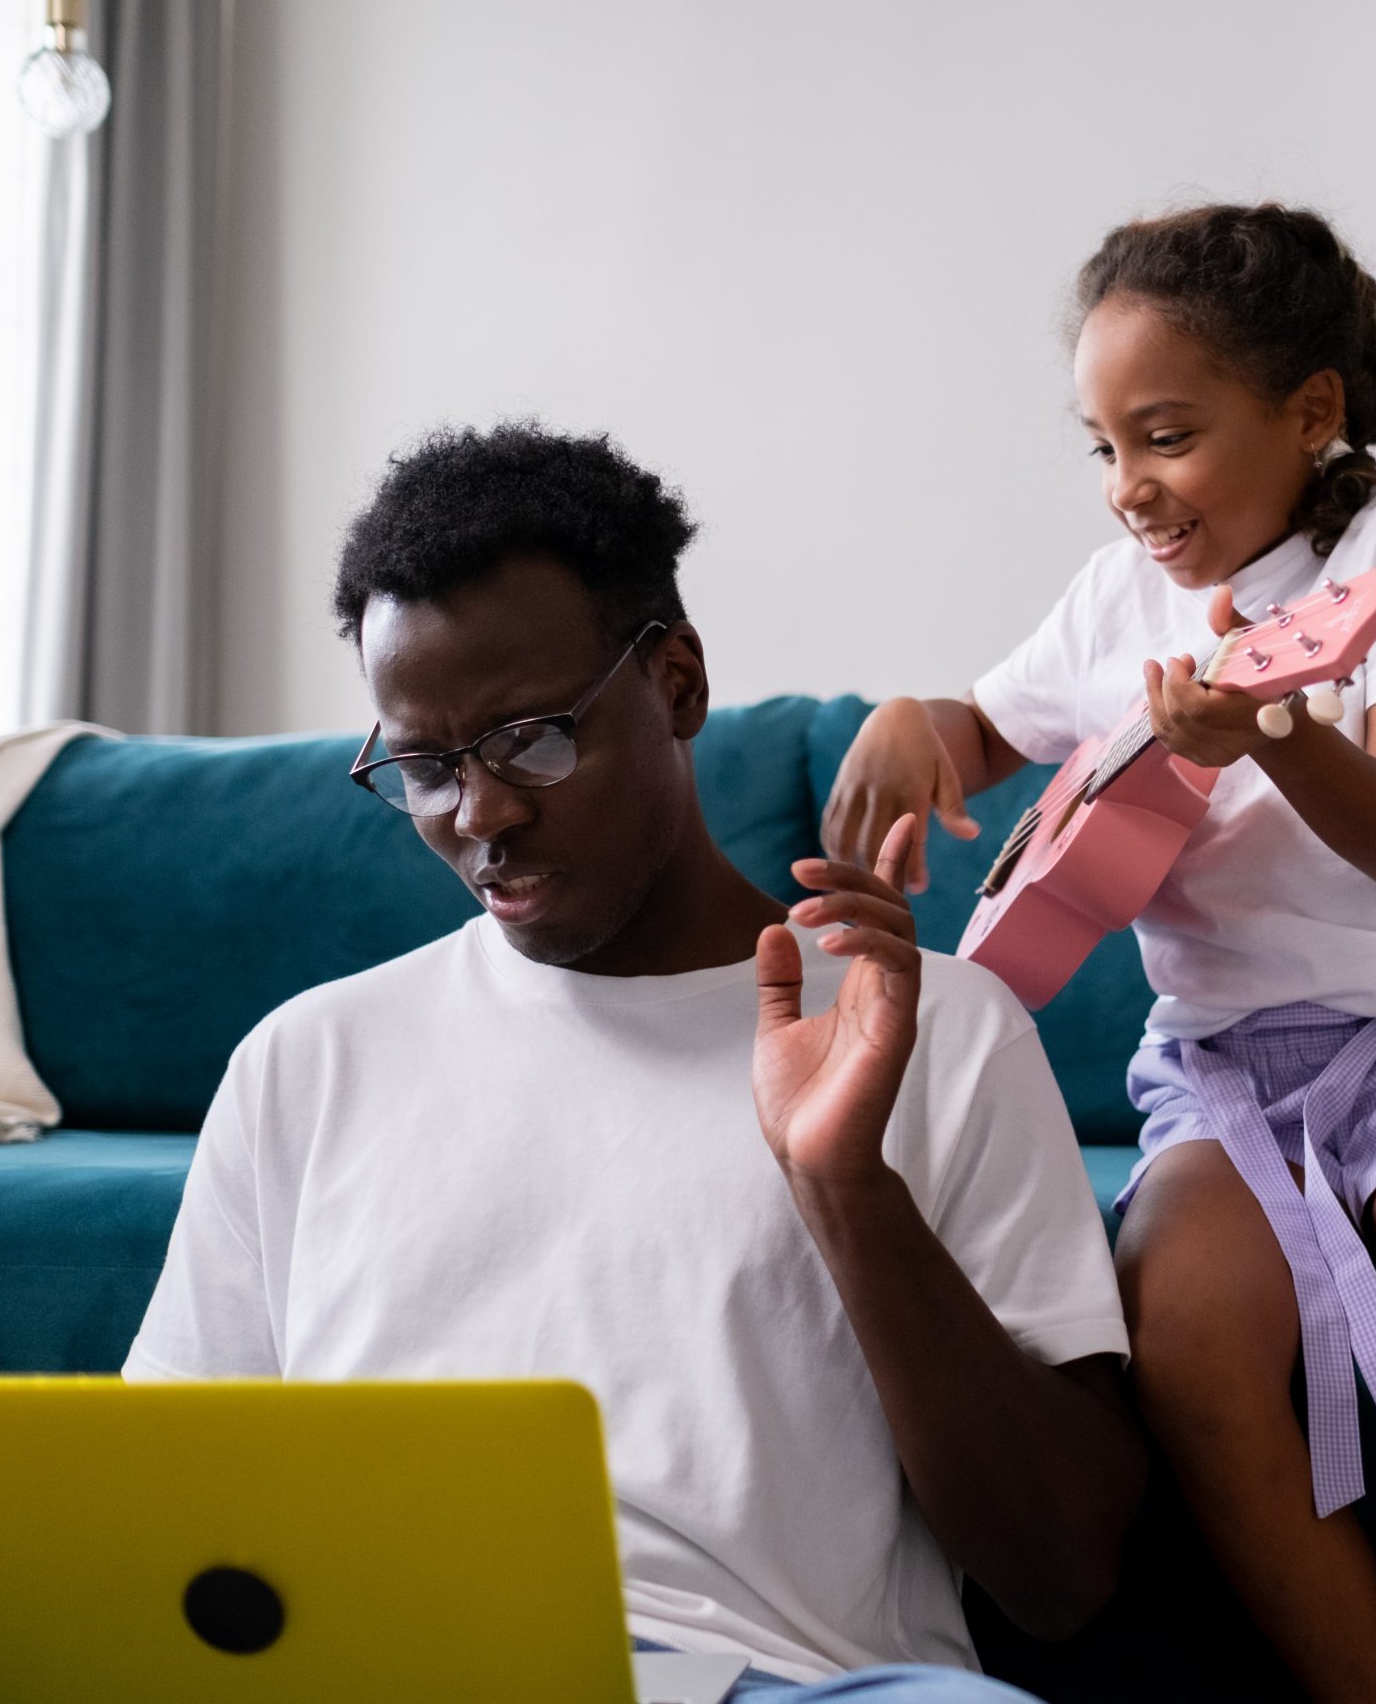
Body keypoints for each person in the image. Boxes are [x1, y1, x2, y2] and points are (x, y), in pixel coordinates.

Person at [824, 204, 1376, 1703]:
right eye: (1104, 445)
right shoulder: (1117, 601)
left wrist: (1278, 732)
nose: (1130, 488)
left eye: (1166, 435)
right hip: (1219, 1077)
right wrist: (921, 723)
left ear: (1311, 412)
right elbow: (985, 730)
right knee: (1190, 1374)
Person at [125, 423, 1145, 1700]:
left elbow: (1063, 1577)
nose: (481, 816)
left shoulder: (936, 1027)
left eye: (534, 739)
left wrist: (842, 1184)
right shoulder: (307, 1061)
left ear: (676, 685)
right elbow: (170, 1522)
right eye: (427, 769)